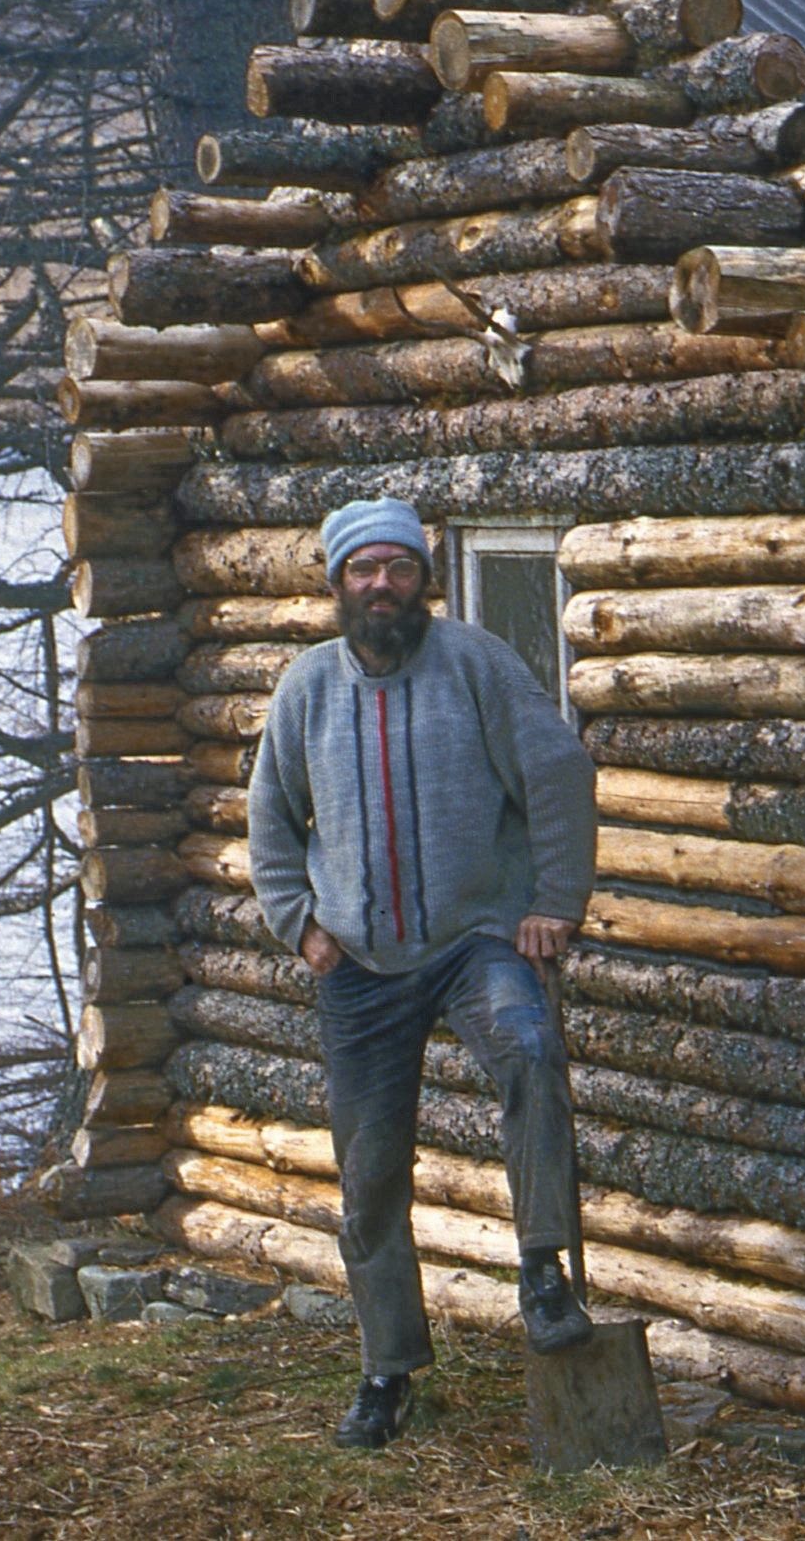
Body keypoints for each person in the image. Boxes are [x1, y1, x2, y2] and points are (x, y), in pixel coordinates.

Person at [246, 496, 600, 1449]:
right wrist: (299, 924)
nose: (381, 585)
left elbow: (559, 770)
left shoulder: (478, 664)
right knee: (367, 1176)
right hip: (359, 964)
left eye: (399, 567)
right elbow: (271, 818)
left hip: (475, 939)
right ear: (337, 584)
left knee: (529, 1048)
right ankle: (387, 1368)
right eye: (363, 569)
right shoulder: (308, 689)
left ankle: (541, 1272)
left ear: (423, 578)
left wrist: (553, 902)